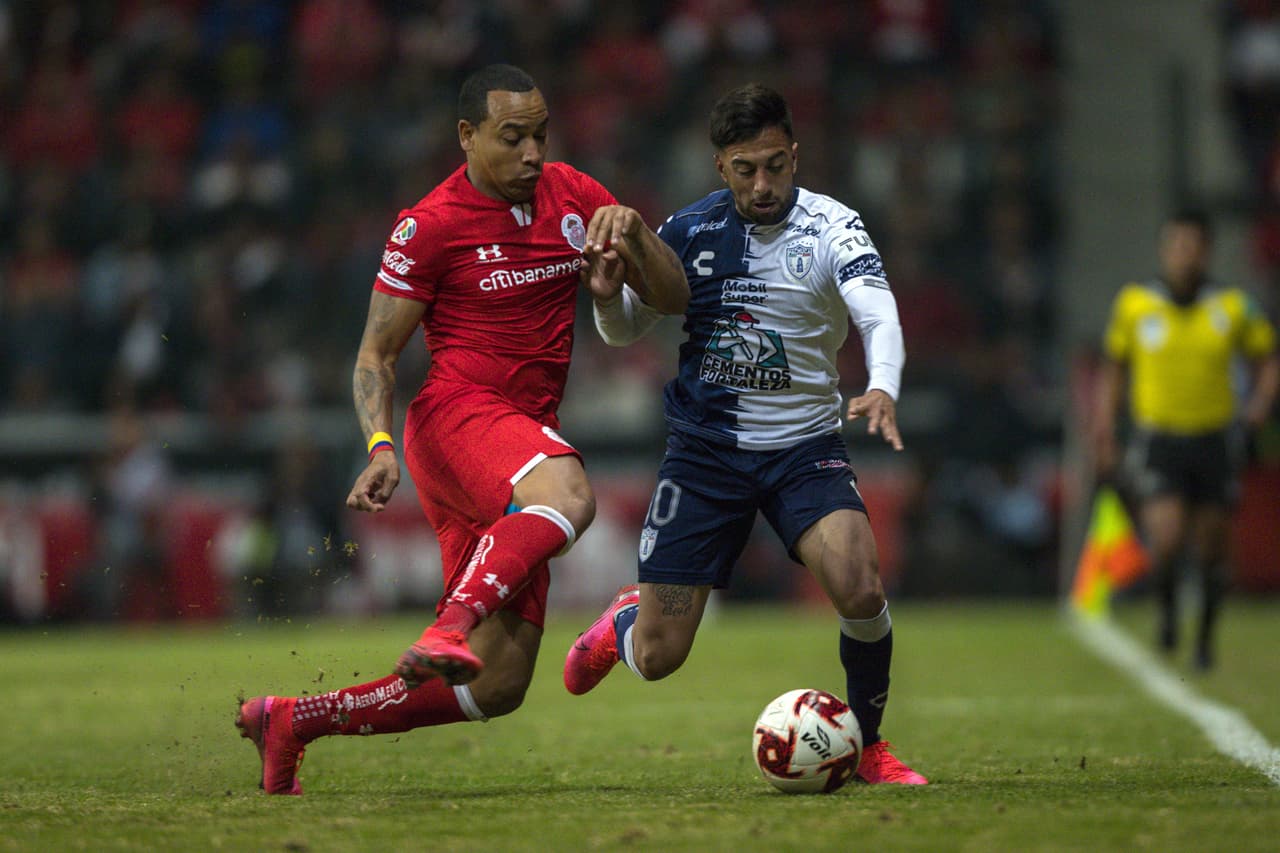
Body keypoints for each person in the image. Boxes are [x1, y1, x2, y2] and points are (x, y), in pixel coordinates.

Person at [235, 64, 688, 795]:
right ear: (467, 136)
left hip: (518, 441)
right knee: (570, 493)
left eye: (541, 133)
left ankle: (293, 720)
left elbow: (670, 298)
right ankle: (447, 625)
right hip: (456, 419)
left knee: (499, 683)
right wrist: (378, 446)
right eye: (513, 137)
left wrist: (633, 234)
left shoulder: (575, 197)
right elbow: (375, 354)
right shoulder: (429, 225)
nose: (533, 153)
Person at [563, 83, 927, 785]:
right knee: (662, 654)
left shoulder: (834, 228)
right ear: (718, 166)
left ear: (794, 155)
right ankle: (622, 626)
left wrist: (882, 382)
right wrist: (607, 299)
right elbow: (625, 329)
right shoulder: (688, 232)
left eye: (775, 166)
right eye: (745, 170)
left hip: (804, 450)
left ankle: (870, 745)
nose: (763, 185)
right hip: (705, 455)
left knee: (859, 583)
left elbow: (879, 315)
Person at [1092, 209, 1278, 670]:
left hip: (1215, 440)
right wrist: (1106, 427)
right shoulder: (1135, 305)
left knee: (1213, 547)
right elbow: (1114, 369)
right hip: (1160, 439)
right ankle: (1170, 613)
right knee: (1168, 537)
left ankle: (1206, 640)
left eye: (1193, 246)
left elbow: (1268, 358)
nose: (1184, 255)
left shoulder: (1234, 307)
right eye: (1177, 246)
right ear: (1164, 250)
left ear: (1207, 251)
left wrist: (1258, 405)